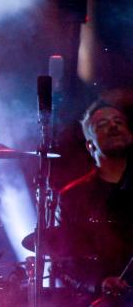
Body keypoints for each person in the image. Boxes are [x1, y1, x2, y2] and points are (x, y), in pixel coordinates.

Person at [57, 95, 133, 295]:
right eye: (102, 125)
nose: (113, 127)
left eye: (118, 122)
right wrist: (100, 282)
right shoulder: (72, 197)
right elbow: (67, 262)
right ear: (90, 146)